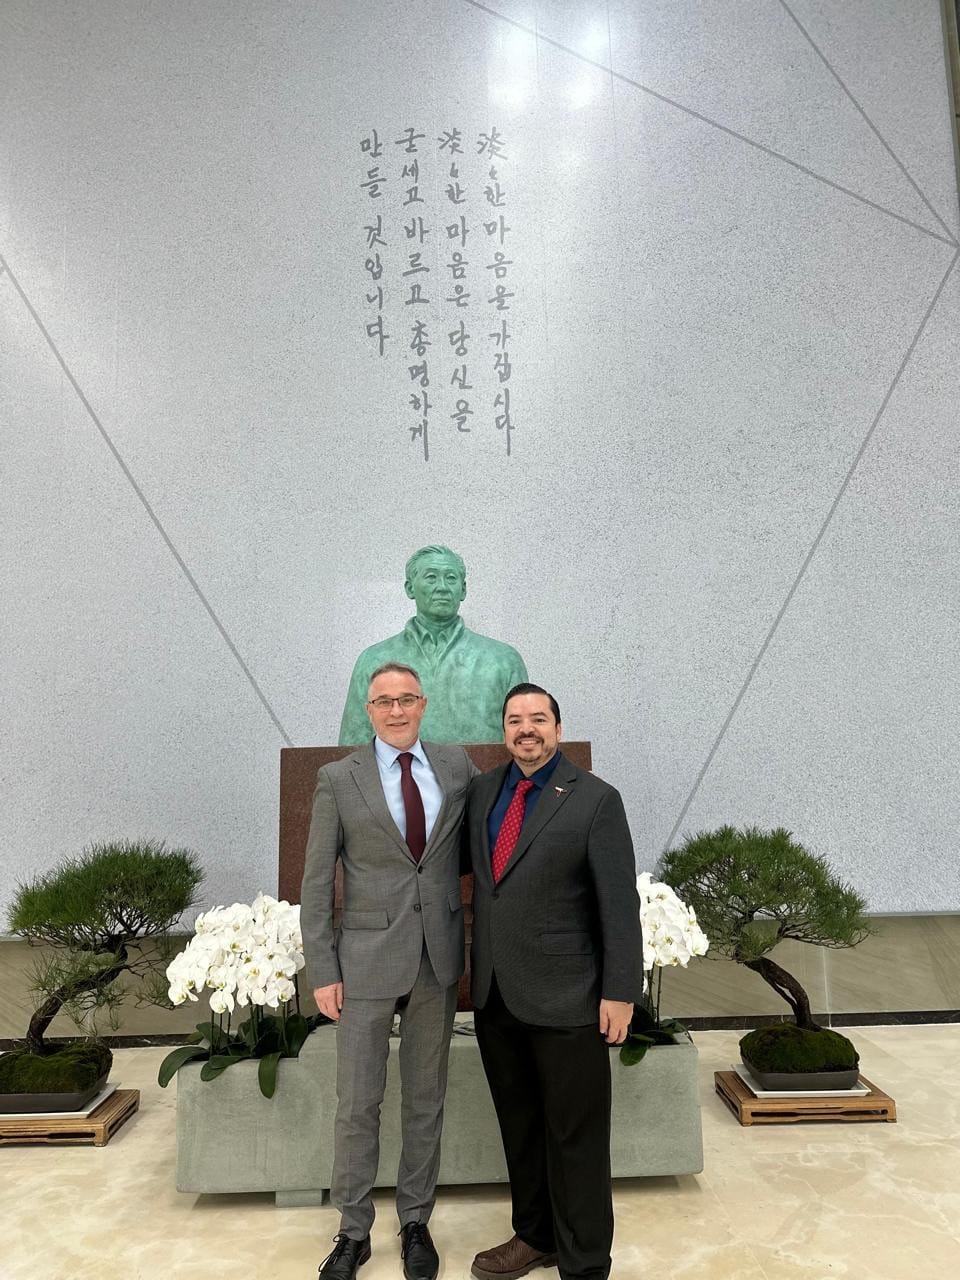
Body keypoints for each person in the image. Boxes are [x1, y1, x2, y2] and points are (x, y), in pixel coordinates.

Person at [300, 662, 477, 1280]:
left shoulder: (456, 767)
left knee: (426, 1099)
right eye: (384, 702)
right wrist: (322, 968)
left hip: (437, 957)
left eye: (406, 699)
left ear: (423, 704)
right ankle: (353, 1232)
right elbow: (316, 882)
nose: (396, 710)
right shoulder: (337, 778)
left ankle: (415, 1222)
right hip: (364, 963)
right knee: (358, 1102)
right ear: (368, 710)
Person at [466, 684, 644, 1280]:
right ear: (504, 731)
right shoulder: (483, 792)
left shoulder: (595, 799)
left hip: (570, 997)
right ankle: (535, 1237)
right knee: (520, 1129)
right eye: (515, 720)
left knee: (577, 1137)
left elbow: (618, 904)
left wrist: (620, 991)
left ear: (558, 729)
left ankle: (586, 1262)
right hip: (496, 994)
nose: (527, 729)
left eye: (538, 718)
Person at [338, 546, 528, 746]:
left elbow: (525, 741)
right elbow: (353, 748)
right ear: (410, 588)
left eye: (451, 578)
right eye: (431, 577)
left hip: (484, 767)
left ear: (463, 590)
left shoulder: (503, 660)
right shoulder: (373, 660)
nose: (442, 587)